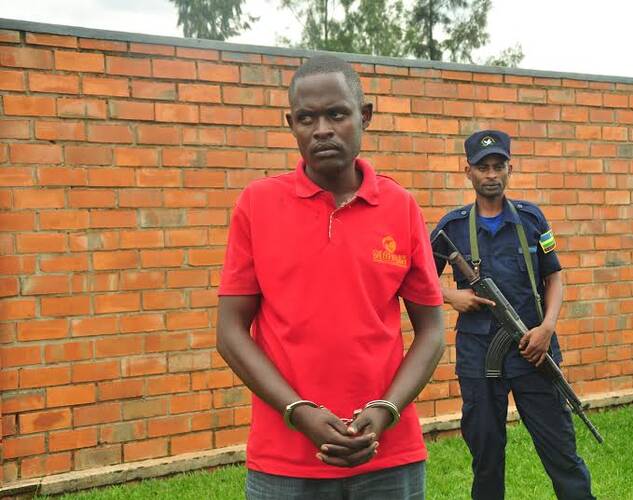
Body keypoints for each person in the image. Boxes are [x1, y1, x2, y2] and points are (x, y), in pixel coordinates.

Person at [216, 54, 445, 500]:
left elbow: (432, 331)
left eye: (337, 114)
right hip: (284, 459)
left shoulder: (400, 207)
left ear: (365, 116)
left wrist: (386, 410)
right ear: (291, 124)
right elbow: (230, 333)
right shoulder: (257, 205)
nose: (322, 129)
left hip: (388, 452)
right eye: (307, 118)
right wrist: (297, 411)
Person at [431, 130, 595, 500]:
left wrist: (547, 327)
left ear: (510, 168)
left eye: (498, 166)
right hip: (479, 357)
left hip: (533, 351)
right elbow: (416, 275)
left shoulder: (532, 219)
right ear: (468, 172)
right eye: (483, 167)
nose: (491, 174)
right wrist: (451, 295)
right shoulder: (452, 226)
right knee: (486, 457)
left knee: (562, 454)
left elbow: (554, 277)